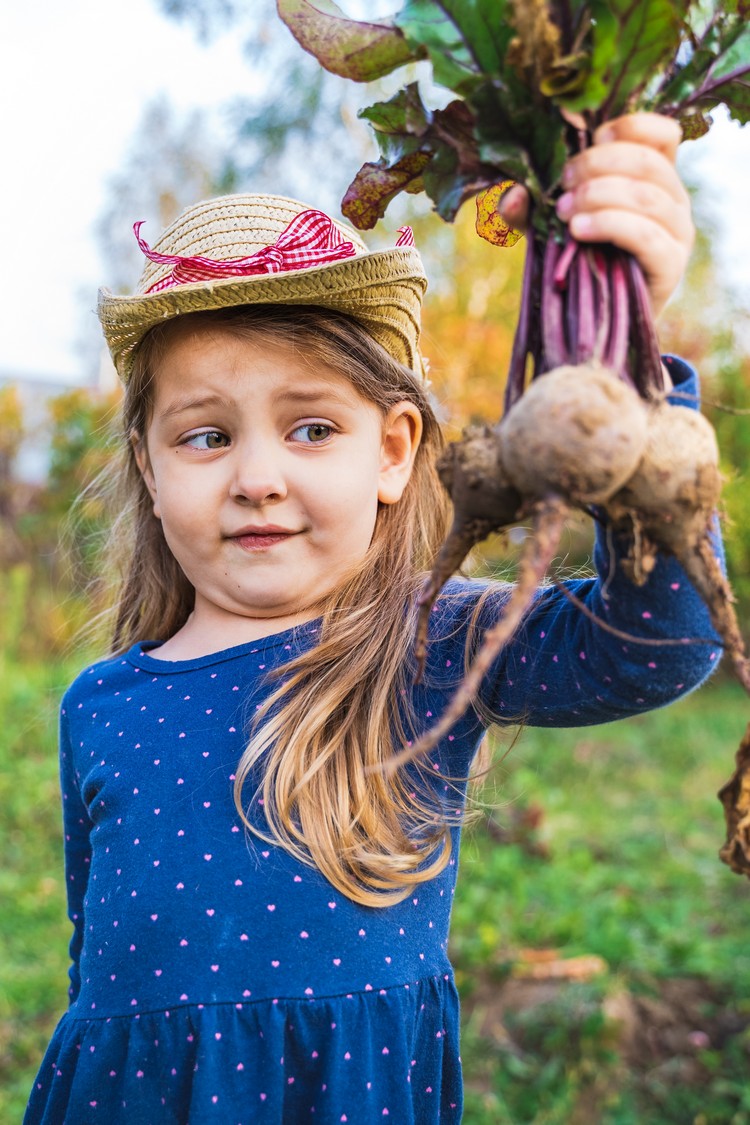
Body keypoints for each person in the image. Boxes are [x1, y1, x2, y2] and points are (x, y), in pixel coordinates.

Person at [26, 113, 718, 1124]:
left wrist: (627, 374)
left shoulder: (427, 644)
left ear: (394, 452)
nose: (258, 478)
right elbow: (100, 979)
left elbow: (656, 647)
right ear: (149, 463)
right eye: (206, 435)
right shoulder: (103, 705)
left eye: (312, 428)